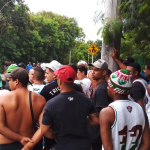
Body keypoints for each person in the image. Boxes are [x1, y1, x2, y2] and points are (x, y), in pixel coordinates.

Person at [41, 65, 99, 150]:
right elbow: (95, 120)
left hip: (62, 145)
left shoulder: (51, 103)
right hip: (84, 146)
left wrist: (55, 135)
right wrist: (79, 120)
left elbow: (44, 130)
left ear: (60, 81)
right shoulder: (85, 99)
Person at [100, 70, 150, 150]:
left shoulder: (107, 112)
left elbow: (108, 148)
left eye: (109, 85)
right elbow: (147, 143)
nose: (107, 87)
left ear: (115, 90)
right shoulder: (141, 109)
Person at [0, 68, 46, 150]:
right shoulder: (40, 100)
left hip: (6, 145)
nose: (9, 83)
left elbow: (0, 127)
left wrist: (20, 138)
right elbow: (43, 128)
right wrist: (28, 146)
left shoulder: (2, 98)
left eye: (10, 80)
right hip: (30, 144)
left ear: (16, 81)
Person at [88, 59, 112, 150]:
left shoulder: (101, 89)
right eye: (93, 69)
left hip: (98, 134)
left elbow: (102, 115)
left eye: (96, 70)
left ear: (104, 72)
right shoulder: (102, 86)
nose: (92, 72)